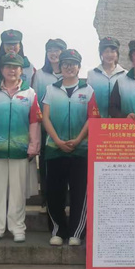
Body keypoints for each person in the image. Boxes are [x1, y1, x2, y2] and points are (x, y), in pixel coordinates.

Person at [0, 52, 42, 244]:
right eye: (7, 66)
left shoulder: (30, 93)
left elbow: (34, 122)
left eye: (15, 67)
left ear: (21, 70)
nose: (11, 70)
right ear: (1, 70)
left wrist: (33, 146)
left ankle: (17, 227)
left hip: (21, 150)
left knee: (18, 191)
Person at [42, 49, 100, 246]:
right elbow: (45, 118)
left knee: (79, 192)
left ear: (79, 67)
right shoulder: (51, 89)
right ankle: (58, 230)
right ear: (60, 66)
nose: (69, 67)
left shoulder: (88, 90)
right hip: (54, 148)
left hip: (81, 148)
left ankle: (76, 231)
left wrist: (78, 139)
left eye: (73, 64)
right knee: (54, 192)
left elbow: (92, 118)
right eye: (65, 63)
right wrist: (57, 140)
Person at [32, 38, 67, 210]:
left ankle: (63, 198)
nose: (54, 54)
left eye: (57, 50)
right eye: (50, 50)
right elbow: (35, 101)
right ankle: (46, 198)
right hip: (46, 127)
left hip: (67, 127)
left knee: (65, 163)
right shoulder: (40, 74)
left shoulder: (69, 73)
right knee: (46, 164)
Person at [87, 36, 126, 117]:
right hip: (97, 120)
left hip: (118, 121)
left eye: (112, 51)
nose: (109, 55)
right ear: (101, 53)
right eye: (106, 51)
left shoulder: (125, 74)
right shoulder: (92, 74)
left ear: (117, 53)